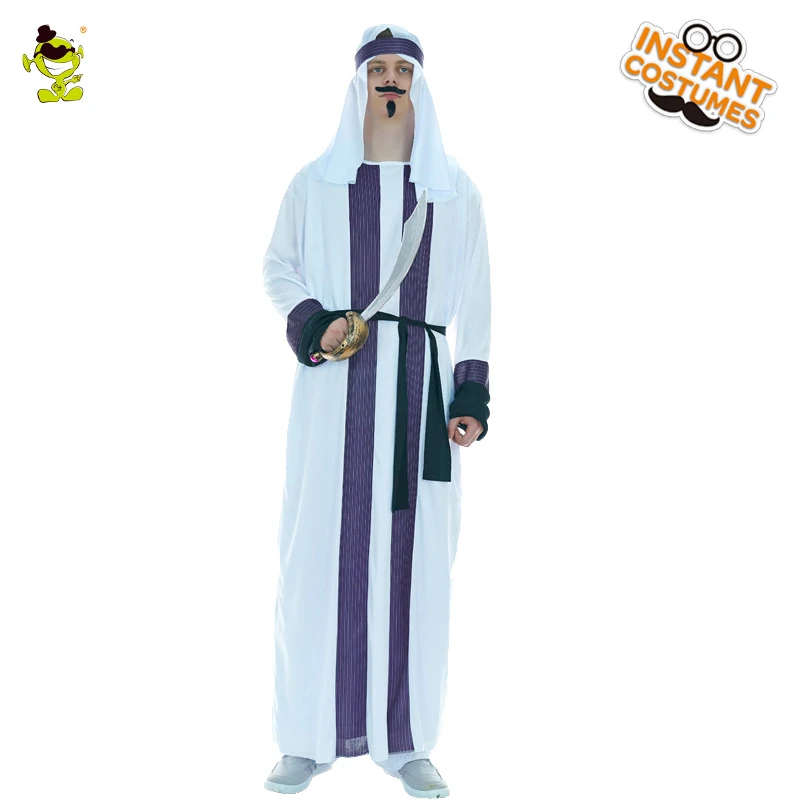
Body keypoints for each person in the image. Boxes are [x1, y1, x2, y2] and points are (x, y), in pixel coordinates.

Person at [261, 23, 491, 797]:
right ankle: (306, 738)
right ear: (359, 83)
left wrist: (470, 393)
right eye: (379, 69)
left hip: (420, 396)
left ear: (419, 86)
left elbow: (477, 297)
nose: (391, 80)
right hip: (334, 392)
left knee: (418, 564)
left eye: (403, 70)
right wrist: (315, 322)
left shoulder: (454, 191)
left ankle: (409, 740)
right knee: (314, 553)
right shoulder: (315, 185)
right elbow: (278, 267)